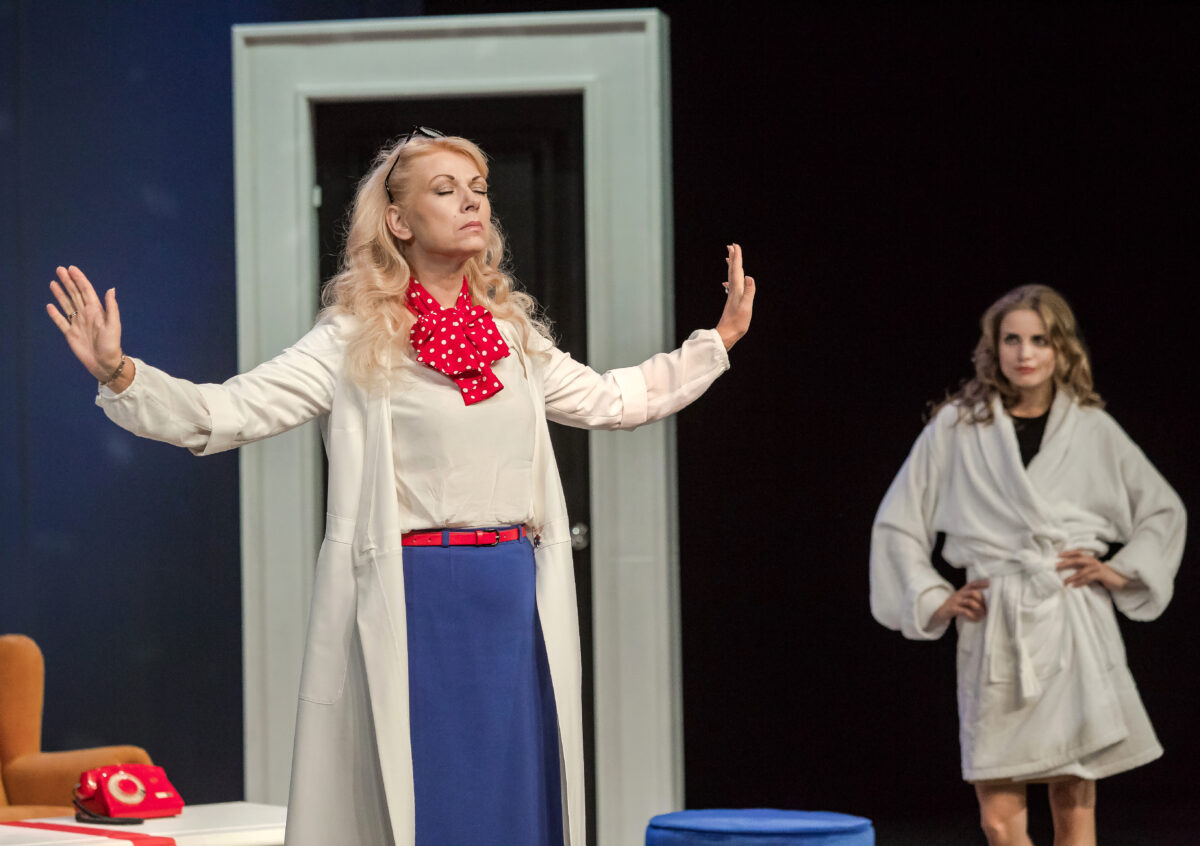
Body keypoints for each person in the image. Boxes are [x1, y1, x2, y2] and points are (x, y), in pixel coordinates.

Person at [46, 129, 755, 846]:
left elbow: (614, 399)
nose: (472, 203)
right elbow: (229, 410)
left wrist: (715, 342)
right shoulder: (353, 337)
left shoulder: (512, 337)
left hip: (513, 592)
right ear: (398, 220)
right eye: (446, 191)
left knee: (514, 792)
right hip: (421, 596)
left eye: (478, 190)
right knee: (433, 796)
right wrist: (120, 373)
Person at [869, 285, 1185, 846]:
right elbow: (898, 522)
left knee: (1073, 807)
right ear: (994, 348)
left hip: (1071, 622)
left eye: (1040, 339)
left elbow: (1162, 511)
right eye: (1012, 339)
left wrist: (1119, 571)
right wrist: (933, 596)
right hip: (999, 623)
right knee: (998, 821)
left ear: (1061, 348)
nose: (1025, 353)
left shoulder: (1090, 428)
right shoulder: (957, 427)